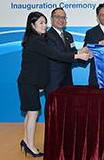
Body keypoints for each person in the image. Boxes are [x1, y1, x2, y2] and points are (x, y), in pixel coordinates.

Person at [17, 12, 90, 157]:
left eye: (44, 23)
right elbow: (55, 55)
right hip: (28, 82)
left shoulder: (35, 39)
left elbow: (36, 64)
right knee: (33, 113)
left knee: (30, 113)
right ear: (32, 25)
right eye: (41, 23)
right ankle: (31, 146)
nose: (44, 26)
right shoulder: (37, 40)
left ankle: (26, 141)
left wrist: (40, 82)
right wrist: (77, 56)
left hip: (30, 81)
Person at [45, 8, 91, 102]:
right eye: (58, 17)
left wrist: (86, 56)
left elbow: (72, 56)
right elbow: (58, 56)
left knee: (67, 110)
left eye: (63, 17)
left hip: (67, 80)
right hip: (53, 81)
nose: (61, 20)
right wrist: (78, 53)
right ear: (51, 19)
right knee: (53, 111)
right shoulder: (47, 36)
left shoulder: (68, 36)